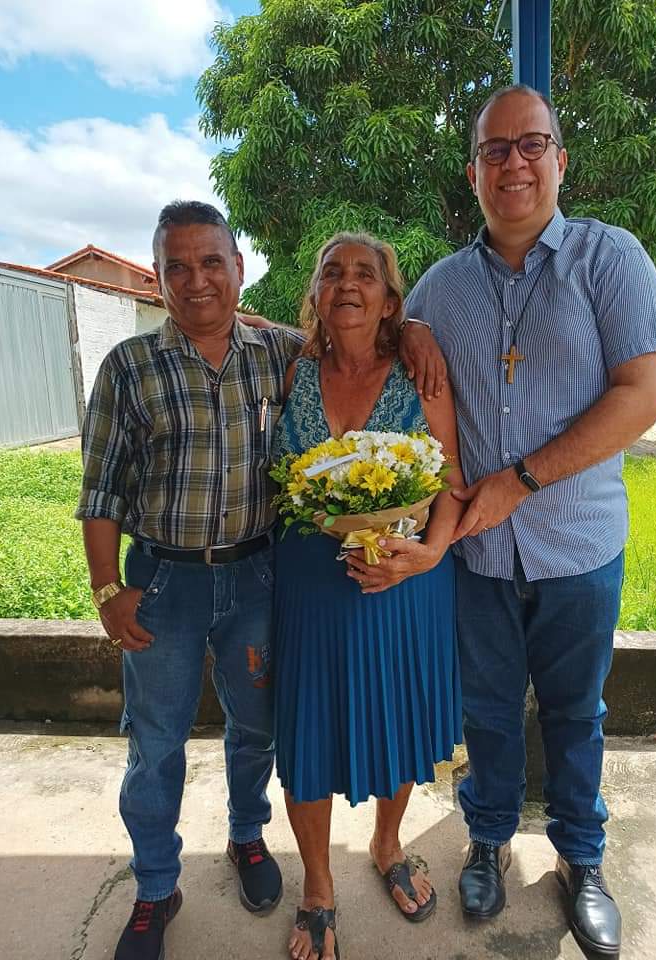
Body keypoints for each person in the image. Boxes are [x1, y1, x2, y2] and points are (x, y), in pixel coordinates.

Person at [402, 84, 656, 957]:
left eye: (532, 145)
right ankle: (485, 837)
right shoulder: (441, 289)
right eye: (495, 149)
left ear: (561, 159)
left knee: (576, 711)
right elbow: (393, 376)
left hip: (578, 545)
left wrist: (521, 479)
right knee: (484, 711)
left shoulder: (610, 259)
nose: (514, 163)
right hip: (478, 555)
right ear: (473, 171)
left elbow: (649, 392)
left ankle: (581, 858)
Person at [76, 201, 306, 960]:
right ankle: (154, 886)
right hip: (162, 587)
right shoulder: (130, 368)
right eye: (178, 266)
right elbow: (101, 490)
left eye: (213, 262)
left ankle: (247, 837)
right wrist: (110, 590)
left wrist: (422, 332)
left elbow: (355, 345)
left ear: (239, 269)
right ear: (159, 277)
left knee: (257, 728)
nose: (197, 279)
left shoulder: (276, 356)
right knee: (155, 742)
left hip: (254, 579)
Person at [270, 232, 466, 960]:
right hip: (310, 587)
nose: (347, 284)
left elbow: (451, 480)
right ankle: (318, 885)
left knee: (400, 721)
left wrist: (426, 555)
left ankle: (388, 845)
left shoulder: (420, 375)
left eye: (366, 274)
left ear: (390, 298)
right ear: (315, 293)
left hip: (405, 583)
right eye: (332, 272)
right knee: (309, 730)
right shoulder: (289, 367)